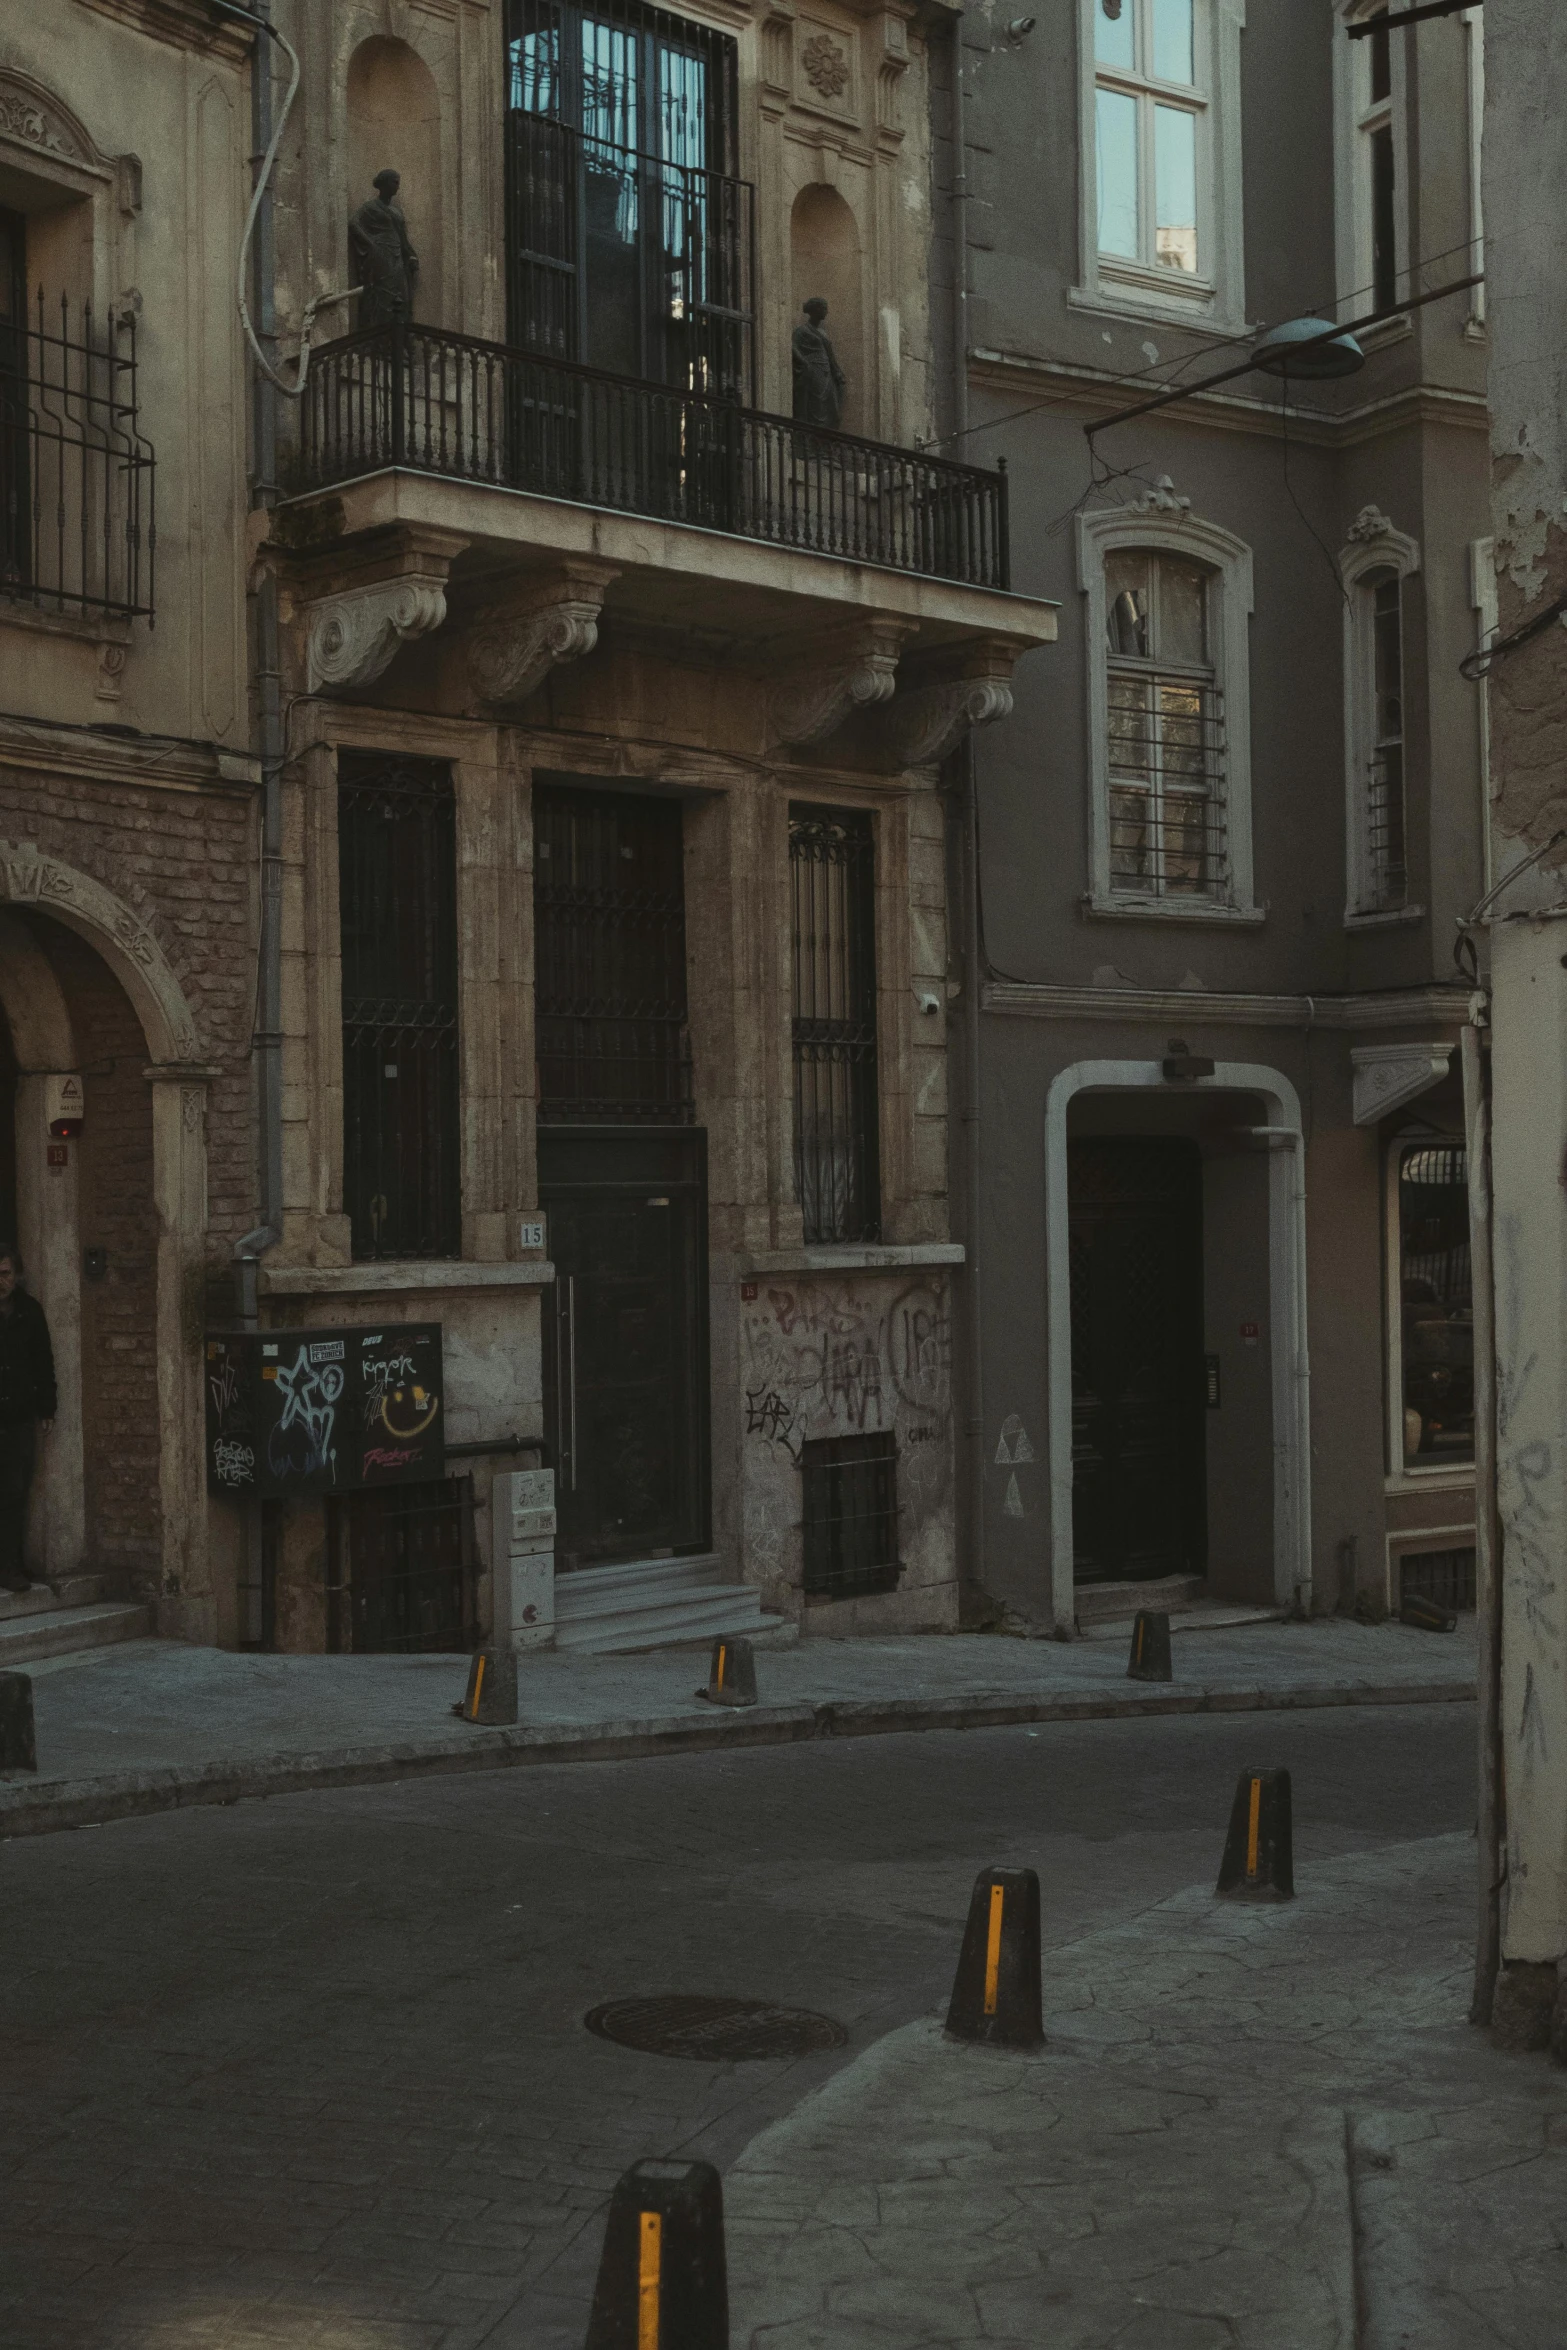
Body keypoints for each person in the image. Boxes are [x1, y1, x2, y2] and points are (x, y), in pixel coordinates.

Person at [0, 1242, 56, 1593]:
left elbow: (43, 1361)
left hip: (18, 1417)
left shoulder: (30, 1312)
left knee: (14, 1493)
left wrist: (47, 1407)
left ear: (16, 1275)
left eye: (4, 1273)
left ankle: (10, 1566)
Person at [348, 169, 419, 330]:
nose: (397, 187)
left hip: (397, 256)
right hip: (380, 256)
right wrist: (371, 244)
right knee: (381, 294)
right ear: (384, 183)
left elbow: (402, 238)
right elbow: (354, 223)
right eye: (394, 182)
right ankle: (377, 338)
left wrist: (411, 256)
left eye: (398, 183)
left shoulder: (396, 211)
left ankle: (398, 337)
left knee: (402, 295)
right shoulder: (370, 207)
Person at [792, 297, 847, 429]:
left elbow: (830, 354)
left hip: (826, 371)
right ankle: (814, 436)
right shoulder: (802, 330)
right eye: (824, 308)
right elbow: (793, 346)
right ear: (815, 310)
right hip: (813, 371)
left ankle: (826, 436)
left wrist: (837, 371)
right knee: (816, 404)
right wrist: (804, 362)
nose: (826, 311)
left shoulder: (823, 332)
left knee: (830, 404)